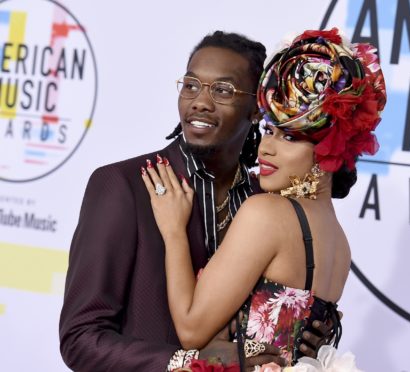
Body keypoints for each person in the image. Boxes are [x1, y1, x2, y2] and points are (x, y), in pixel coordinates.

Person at [59, 31, 332, 372]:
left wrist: (299, 335)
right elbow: (80, 338)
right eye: (191, 85)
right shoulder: (124, 186)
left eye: (223, 90)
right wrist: (190, 363)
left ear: (255, 110)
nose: (200, 101)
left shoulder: (264, 204)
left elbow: (255, 329)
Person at [141, 28, 387, 369]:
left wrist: (173, 231)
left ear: (326, 149)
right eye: (269, 130)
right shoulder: (339, 242)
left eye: (288, 137)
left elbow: (191, 328)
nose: (266, 147)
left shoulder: (267, 214)